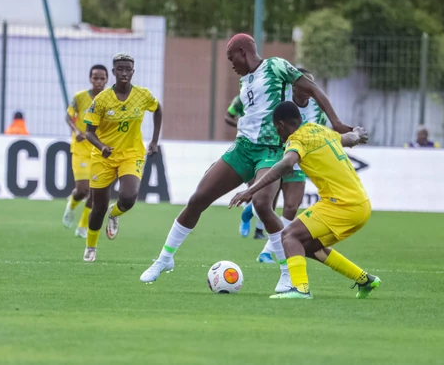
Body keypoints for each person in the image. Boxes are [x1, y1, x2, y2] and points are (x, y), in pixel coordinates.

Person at [140, 34, 351, 293]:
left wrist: (337, 122)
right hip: (242, 149)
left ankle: (286, 273)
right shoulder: (245, 80)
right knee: (198, 199)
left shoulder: (275, 66)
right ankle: (164, 259)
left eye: (231, 58)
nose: (231, 65)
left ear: (242, 51)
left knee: (263, 205)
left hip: (271, 150)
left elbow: (312, 89)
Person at [230, 101, 380, 299]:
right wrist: (359, 134)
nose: (279, 135)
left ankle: (301, 289)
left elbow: (287, 164)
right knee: (307, 246)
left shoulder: (296, 140)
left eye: (277, 129)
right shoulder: (320, 130)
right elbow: (349, 138)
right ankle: (365, 280)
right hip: (360, 205)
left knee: (289, 235)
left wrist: (252, 190)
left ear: (281, 125)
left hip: (342, 204)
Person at [82, 53, 162, 262]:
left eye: (128, 69)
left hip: (131, 154)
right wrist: (101, 146)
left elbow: (158, 109)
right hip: (103, 156)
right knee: (97, 207)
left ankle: (115, 213)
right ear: (113, 72)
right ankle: (91, 246)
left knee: (128, 197)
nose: (124, 73)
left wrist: (154, 141)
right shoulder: (101, 100)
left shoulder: (143, 95)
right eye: (120, 69)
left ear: (133, 72)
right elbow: (88, 131)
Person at [255, 67, 329, 263]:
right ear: (294, 86)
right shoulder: (282, 99)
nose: (308, 90)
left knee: (290, 207)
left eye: (311, 87)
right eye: (304, 86)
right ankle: (249, 214)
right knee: (264, 203)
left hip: (299, 159)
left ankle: (267, 251)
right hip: (278, 156)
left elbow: (321, 132)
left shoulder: (317, 108)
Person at [62, 64, 109, 238]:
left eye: (102, 78)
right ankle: (71, 204)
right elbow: (68, 116)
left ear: (106, 80)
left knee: (95, 191)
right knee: (82, 189)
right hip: (81, 149)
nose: (98, 81)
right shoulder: (80, 98)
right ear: (90, 79)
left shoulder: (109, 100)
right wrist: (76, 130)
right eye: (95, 78)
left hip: (98, 150)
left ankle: (82, 226)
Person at [224, 95, 265, 240]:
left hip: (269, 148)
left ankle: (258, 229)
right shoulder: (240, 99)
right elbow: (228, 116)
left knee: (266, 194)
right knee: (255, 190)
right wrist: (242, 126)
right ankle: (247, 216)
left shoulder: (270, 97)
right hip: (246, 148)